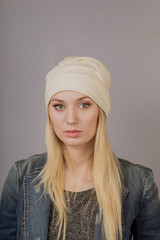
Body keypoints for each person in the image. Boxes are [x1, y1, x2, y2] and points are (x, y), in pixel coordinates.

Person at [0, 56, 160, 240]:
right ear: (49, 113)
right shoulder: (21, 176)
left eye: (84, 105)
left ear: (102, 110)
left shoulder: (139, 182)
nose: (71, 119)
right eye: (59, 106)